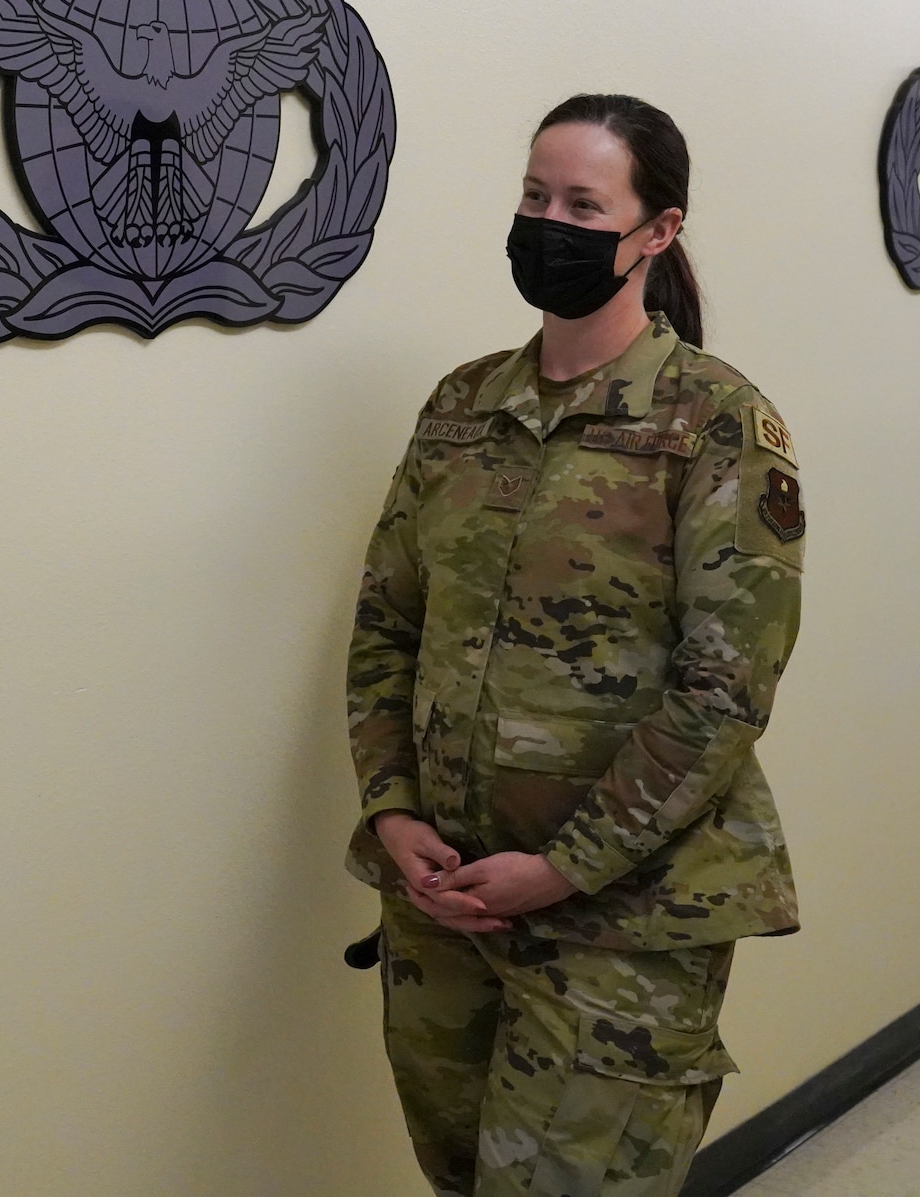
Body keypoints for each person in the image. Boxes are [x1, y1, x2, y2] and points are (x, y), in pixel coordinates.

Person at [344, 94, 803, 1196]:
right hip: (443, 896)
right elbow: (386, 625)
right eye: (533, 196)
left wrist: (560, 869)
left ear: (655, 231)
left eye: (583, 203)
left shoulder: (713, 422)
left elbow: (723, 687)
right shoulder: (460, 407)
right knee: (460, 1175)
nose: (548, 220)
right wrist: (393, 808)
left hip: (621, 914)